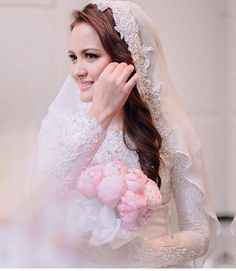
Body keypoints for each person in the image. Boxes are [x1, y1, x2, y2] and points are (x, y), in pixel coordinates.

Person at [31, 0, 221, 268]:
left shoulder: (168, 133)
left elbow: (201, 235)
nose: (77, 71)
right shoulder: (60, 126)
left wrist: (144, 254)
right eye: (73, 57)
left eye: (91, 55)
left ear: (126, 60)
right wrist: (99, 115)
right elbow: (39, 205)